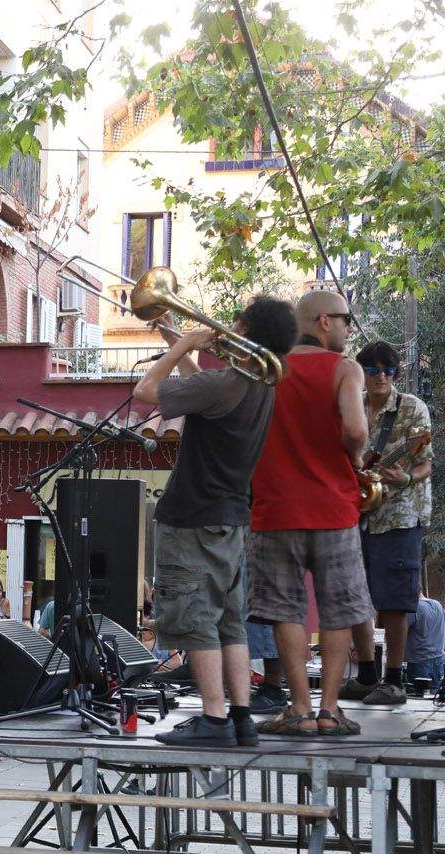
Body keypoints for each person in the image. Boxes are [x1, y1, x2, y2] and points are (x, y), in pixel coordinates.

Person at [132, 296, 298, 748]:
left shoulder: (229, 383)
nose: (227, 329)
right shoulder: (259, 384)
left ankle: (213, 719)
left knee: (195, 618)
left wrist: (178, 345)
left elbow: (144, 392)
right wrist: (173, 334)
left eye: (236, 324)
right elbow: (199, 386)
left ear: (249, 334)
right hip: (230, 520)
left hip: (193, 518)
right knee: (229, 622)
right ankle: (240, 717)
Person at [247, 290, 373, 737]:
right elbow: (356, 429)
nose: (348, 329)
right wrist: (354, 457)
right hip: (334, 509)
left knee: (286, 612)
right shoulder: (345, 369)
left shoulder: (264, 369)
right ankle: (329, 710)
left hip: (275, 508)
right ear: (323, 321)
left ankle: (298, 710)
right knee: (339, 612)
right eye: (345, 320)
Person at [343, 340, 435, 707]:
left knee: (396, 599)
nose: (381, 376)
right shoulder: (351, 406)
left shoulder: (412, 408)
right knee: (355, 595)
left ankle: (394, 680)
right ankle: (366, 676)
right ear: (361, 372)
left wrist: (407, 479)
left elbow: (426, 463)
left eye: (389, 370)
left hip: (400, 515)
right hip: (354, 512)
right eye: (373, 369)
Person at [406, 595, 445, 690]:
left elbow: (400, 631)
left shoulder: (413, 608)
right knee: (435, 698)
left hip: (419, 661)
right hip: (438, 660)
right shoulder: (437, 604)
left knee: (418, 699)